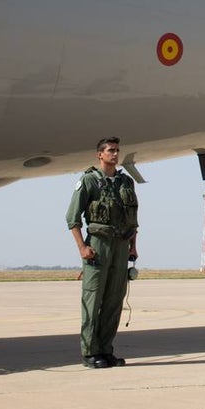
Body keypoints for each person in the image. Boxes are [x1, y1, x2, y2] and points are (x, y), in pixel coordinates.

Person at [66, 137, 139, 369]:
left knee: (114, 301)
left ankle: (106, 350)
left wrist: (133, 246)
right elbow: (72, 219)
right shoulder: (88, 181)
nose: (115, 154)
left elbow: (133, 219)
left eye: (117, 151)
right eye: (110, 151)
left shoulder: (126, 182)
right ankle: (90, 352)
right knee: (92, 299)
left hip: (121, 245)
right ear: (100, 154)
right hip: (98, 245)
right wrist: (82, 248)